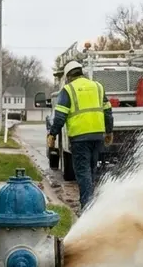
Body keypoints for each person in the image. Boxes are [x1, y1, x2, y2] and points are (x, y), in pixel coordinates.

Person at [48, 61, 113, 210]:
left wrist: (52, 134)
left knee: (83, 173)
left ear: (68, 76)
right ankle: (91, 203)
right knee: (91, 172)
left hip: (79, 139)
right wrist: (109, 131)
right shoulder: (97, 87)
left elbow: (59, 117)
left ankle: (87, 208)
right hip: (97, 136)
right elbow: (108, 112)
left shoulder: (68, 90)